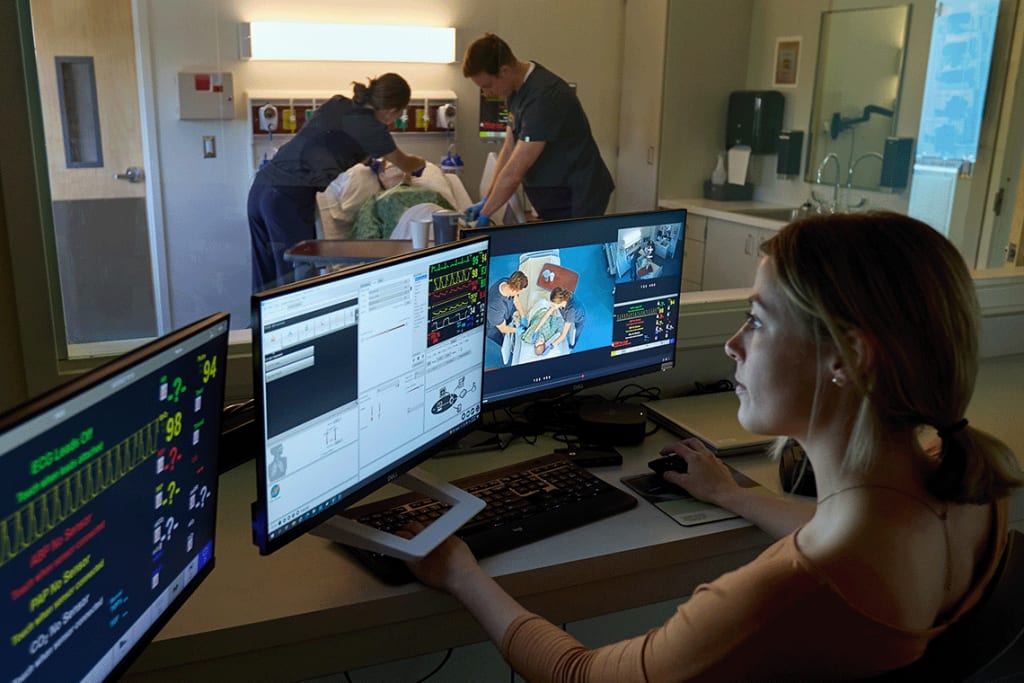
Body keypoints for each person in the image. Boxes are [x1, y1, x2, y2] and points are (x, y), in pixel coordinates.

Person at [403, 211, 1023, 680]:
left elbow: (579, 674)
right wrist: (735, 496)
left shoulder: (788, 589)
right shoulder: (968, 483)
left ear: (848, 357)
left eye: (757, 320)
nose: (732, 344)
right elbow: (850, 530)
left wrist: (461, 572)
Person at [248, 73, 426, 290]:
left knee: (266, 280)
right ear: (393, 110)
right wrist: (420, 163)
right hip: (287, 198)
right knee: (295, 281)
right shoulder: (374, 129)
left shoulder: (339, 103)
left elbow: (332, 141)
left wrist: (368, 160)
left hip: (261, 189)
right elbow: (406, 163)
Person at [461, 33, 614, 225]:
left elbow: (515, 170)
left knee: (573, 250)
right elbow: (509, 148)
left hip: (577, 195)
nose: (486, 93)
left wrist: (486, 213)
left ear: (504, 71)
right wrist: (487, 198)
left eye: (487, 85)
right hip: (555, 195)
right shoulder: (515, 91)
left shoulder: (544, 96)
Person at [532, 287, 585, 351]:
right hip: (572, 312)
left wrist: (551, 346)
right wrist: (536, 330)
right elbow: (547, 314)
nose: (552, 307)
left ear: (560, 302)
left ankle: (572, 346)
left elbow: (563, 335)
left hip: (579, 317)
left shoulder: (570, 312)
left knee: (575, 334)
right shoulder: (562, 297)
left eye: (553, 306)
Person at [486, 270, 528, 347]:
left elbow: (515, 300)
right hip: (493, 326)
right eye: (518, 292)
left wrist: (523, 316)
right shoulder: (494, 307)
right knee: (504, 340)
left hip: (504, 313)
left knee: (509, 321)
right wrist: (517, 330)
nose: (518, 294)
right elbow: (503, 329)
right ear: (513, 290)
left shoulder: (506, 282)